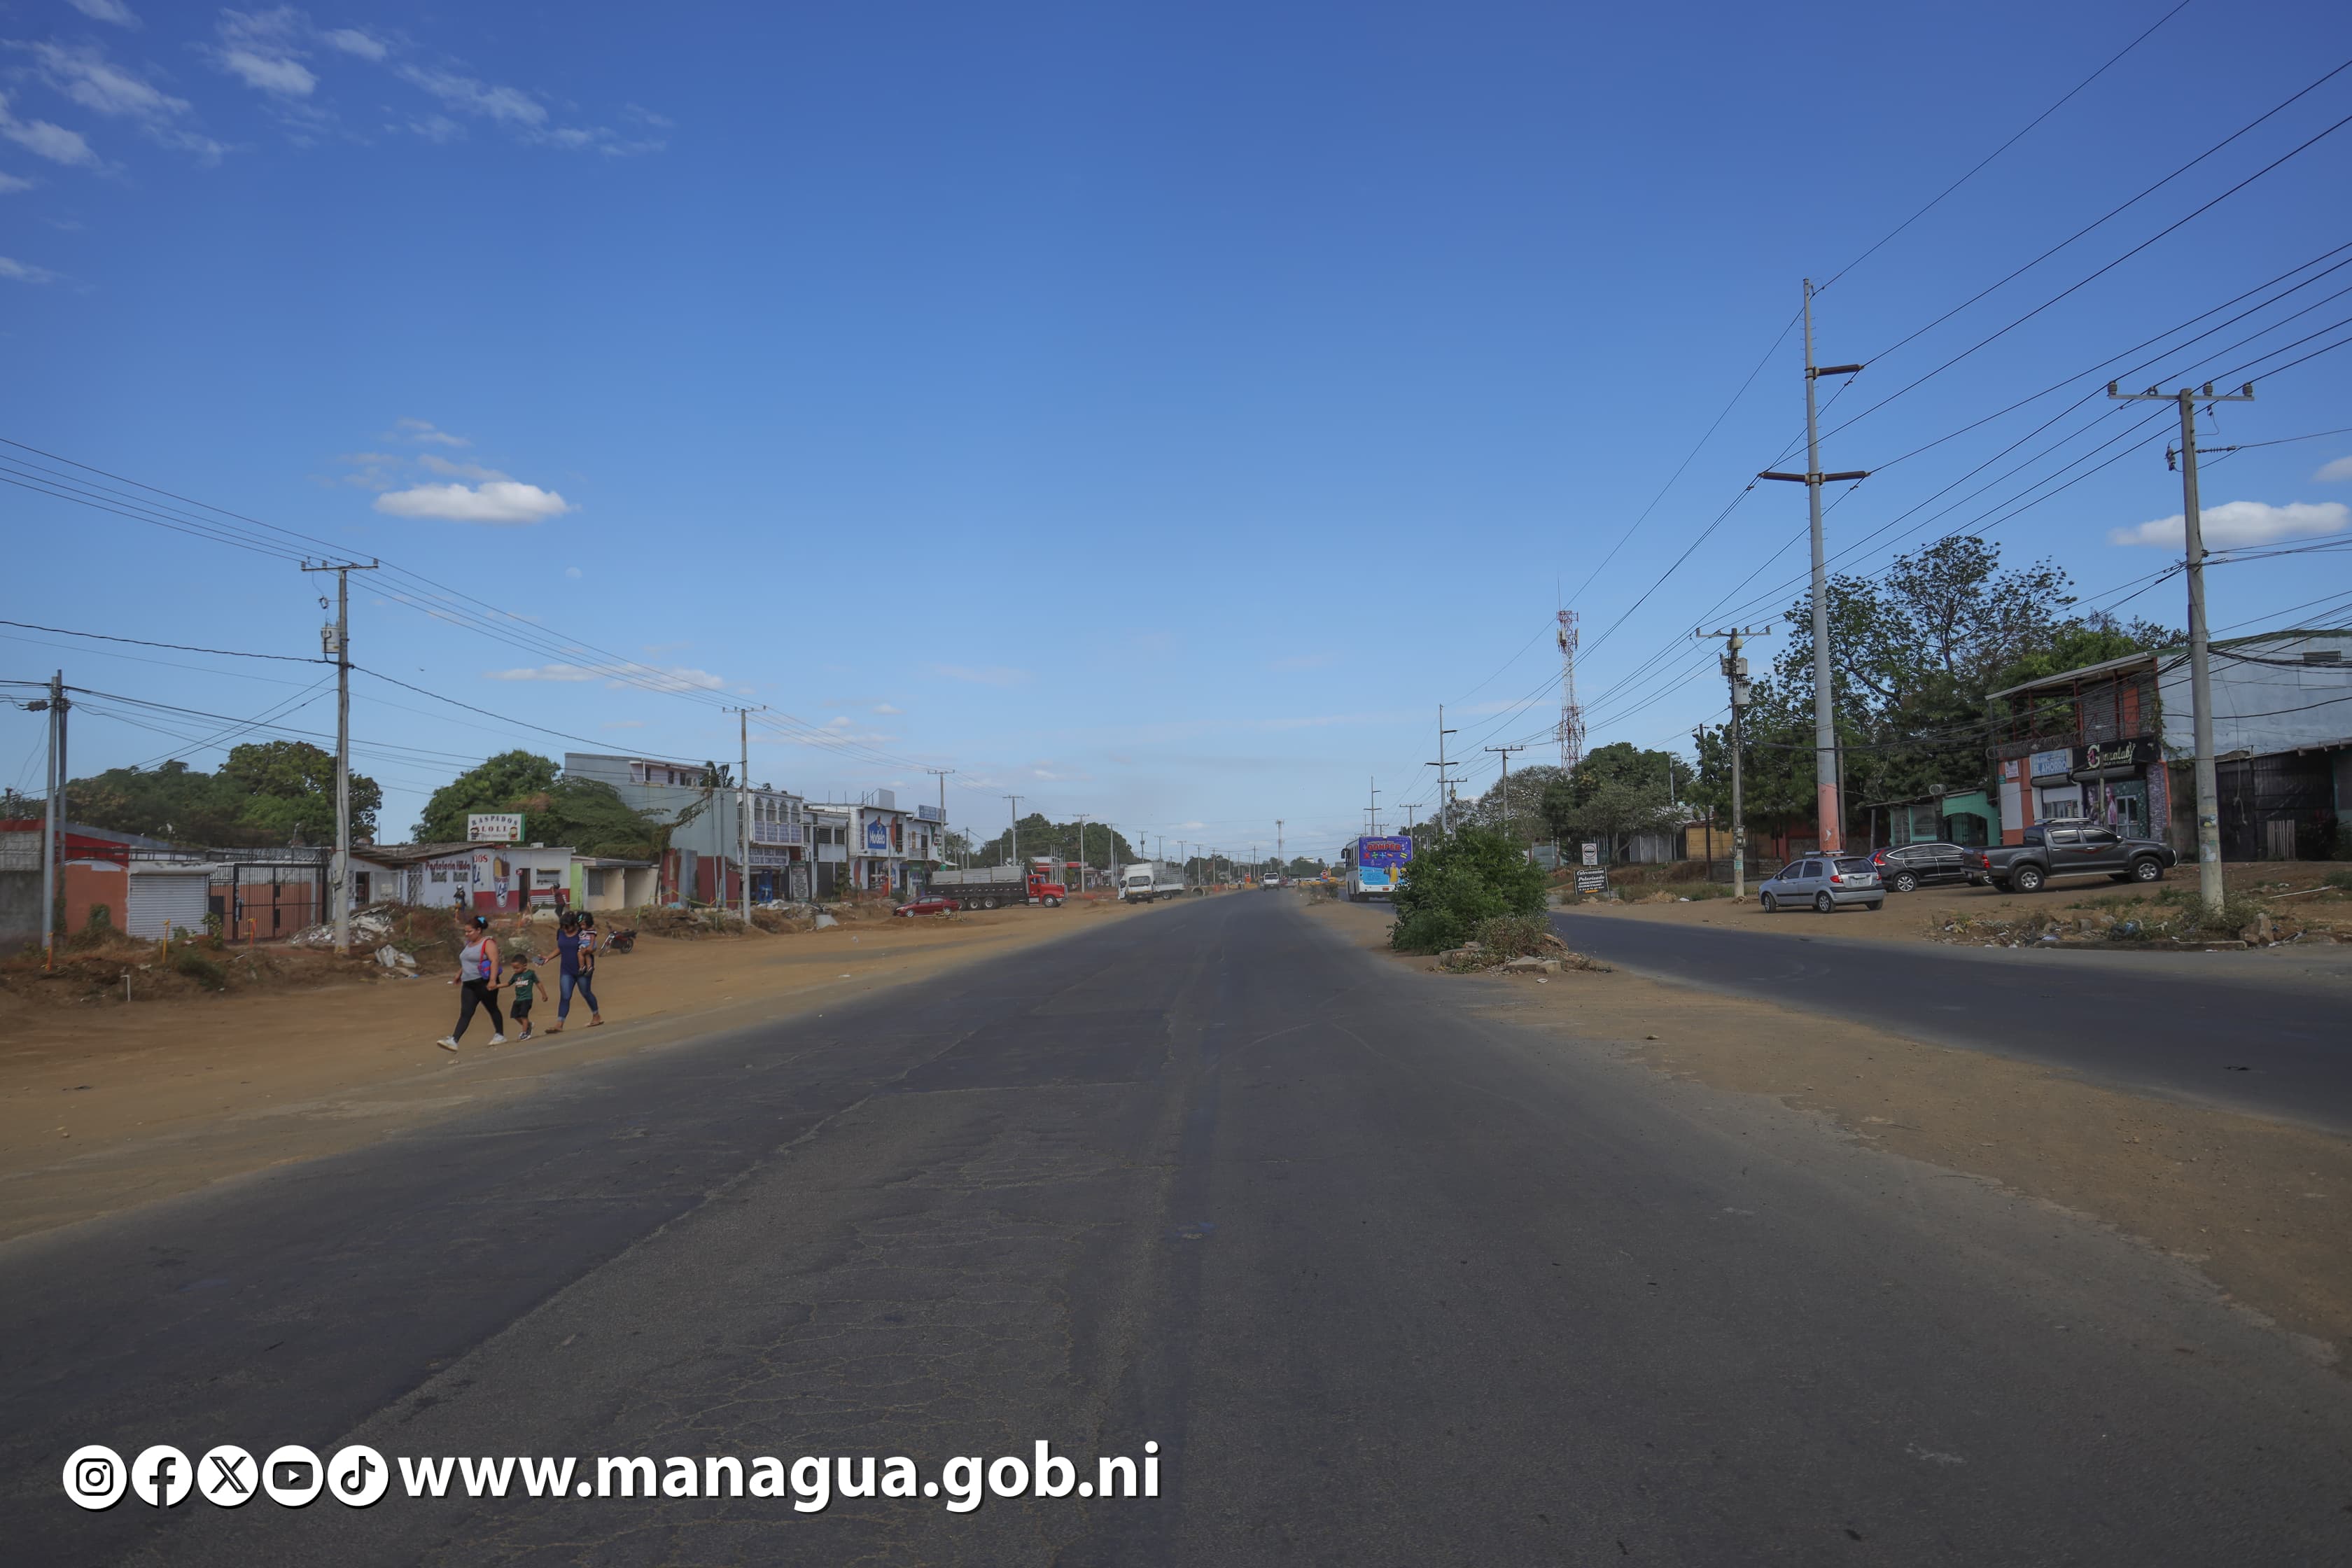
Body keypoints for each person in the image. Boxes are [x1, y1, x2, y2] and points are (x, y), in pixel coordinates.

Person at [437, 914, 504, 1051]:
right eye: (465, 932)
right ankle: (454, 1040)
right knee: (466, 1012)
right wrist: (459, 973)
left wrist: (492, 980)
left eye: (469, 931)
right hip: (468, 984)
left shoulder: (488, 943)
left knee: (492, 1008)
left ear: (479, 930)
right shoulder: (469, 944)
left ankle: (500, 1035)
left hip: (484, 982)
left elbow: (494, 961)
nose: (467, 934)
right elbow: (468, 961)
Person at [548, 910, 602, 1032]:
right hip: (566, 969)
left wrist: (587, 950)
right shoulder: (561, 932)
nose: (565, 929)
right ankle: (559, 1024)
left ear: (575, 924)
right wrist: (547, 958)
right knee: (565, 996)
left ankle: (596, 1015)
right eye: (563, 927)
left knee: (586, 992)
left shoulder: (583, 931)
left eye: (568, 927)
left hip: (582, 969)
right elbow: (560, 948)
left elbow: (593, 947)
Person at [500, 950, 540, 1042]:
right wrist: (496, 986)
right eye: (514, 968)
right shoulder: (515, 976)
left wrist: (544, 994)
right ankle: (528, 1025)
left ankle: (525, 1033)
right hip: (518, 999)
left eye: (517, 968)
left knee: (524, 1016)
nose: (515, 970)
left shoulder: (530, 973)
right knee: (515, 1015)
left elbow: (538, 983)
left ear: (525, 965)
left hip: (527, 999)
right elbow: (508, 983)